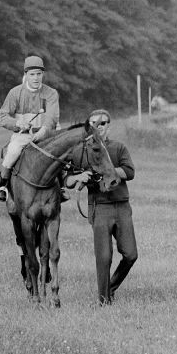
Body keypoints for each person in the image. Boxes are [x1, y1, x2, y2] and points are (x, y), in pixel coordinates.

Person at [70, 109, 138, 305]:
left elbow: (129, 171)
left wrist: (106, 170)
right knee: (104, 256)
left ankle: (111, 287)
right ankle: (103, 300)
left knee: (131, 254)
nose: (98, 127)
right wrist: (79, 177)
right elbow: (68, 179)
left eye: (102, 123)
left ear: (109, 125)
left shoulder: (119, 147)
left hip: (122, 206)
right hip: (100, 207)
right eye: (93, 123)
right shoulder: (82, 151)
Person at [0, 54, 60, 202]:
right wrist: (18, 124)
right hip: (24, 134)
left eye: (39, 74)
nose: (36, 78)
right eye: (32, 74)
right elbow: (3, 117)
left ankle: (60, 188)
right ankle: (3, 186)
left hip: (47, 133)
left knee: (62, 152)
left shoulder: (51, 93)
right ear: (26, 75)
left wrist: (44, 131)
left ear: (43, 74)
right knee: (12, 151)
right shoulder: (15, 93)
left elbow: (51, 118)